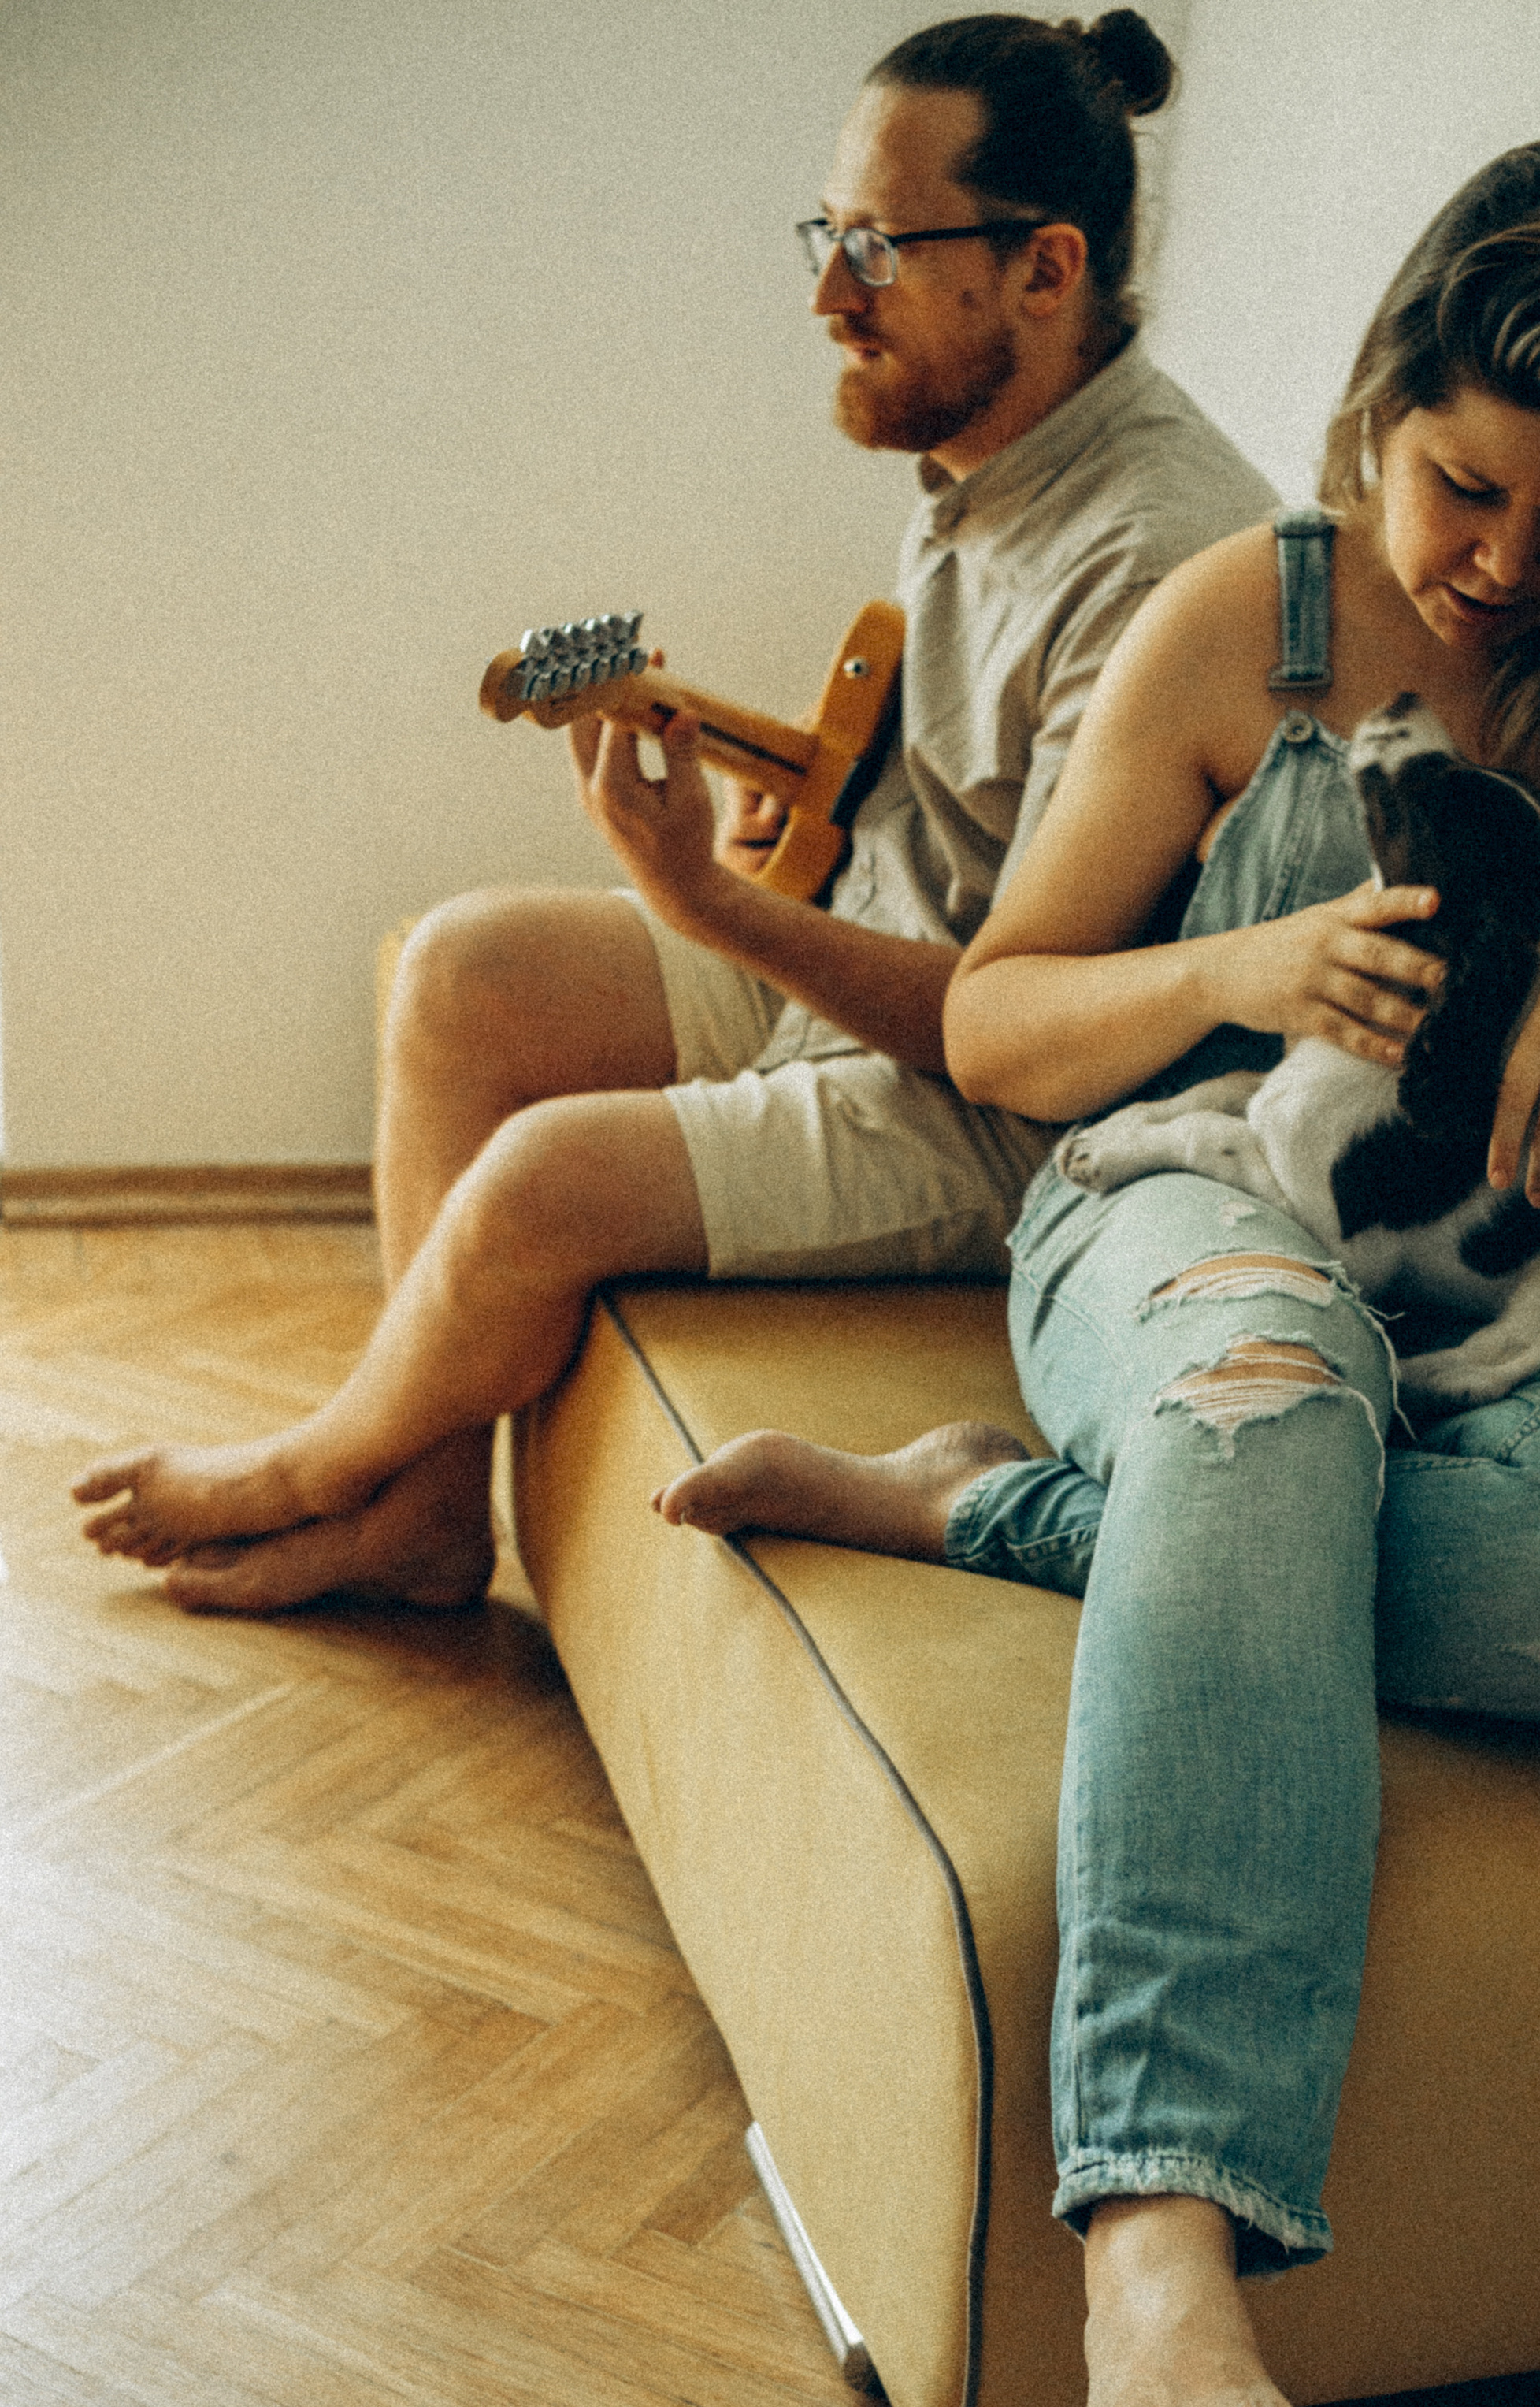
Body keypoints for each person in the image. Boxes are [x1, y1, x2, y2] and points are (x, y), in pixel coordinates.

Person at [653, 137, 1540, 2407]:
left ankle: (996, 1510)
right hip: (1196, 1204)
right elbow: (998, 1022)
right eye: (1463, 487)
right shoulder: (1248, 618)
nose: (1503, 562)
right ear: (1377, 412)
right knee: (1270, 1389)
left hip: (1532, 1303)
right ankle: (1163, 2232)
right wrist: (1236, 970)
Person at [73, 12, 1275, 1612]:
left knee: (542, 1179)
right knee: (461, 972)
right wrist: (780, 828)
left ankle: (310, 1467)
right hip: (884, 967)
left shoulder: (1155, 559)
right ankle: (423, 1514)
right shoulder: (992, 448)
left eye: (877, 249)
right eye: (825, 234)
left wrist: (711, 902)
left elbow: (1020, 1030)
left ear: (1043, 269)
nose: (827, 295)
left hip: (1020, 1116)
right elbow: (952, 799)